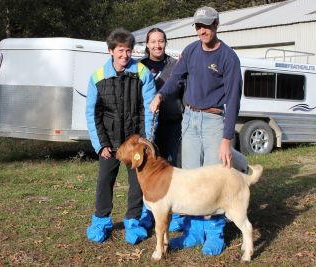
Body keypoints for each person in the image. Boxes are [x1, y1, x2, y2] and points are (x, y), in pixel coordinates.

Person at [150, 6, 248, 256]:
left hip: (215, 121)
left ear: (217, 25)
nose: (202, 30)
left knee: (215, 180)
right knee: (192, 179)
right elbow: (175, 78)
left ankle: (215, 234)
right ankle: (194, 232)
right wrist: (161, 94)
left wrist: (227, 138)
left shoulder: (228, 57)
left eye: (207, 25)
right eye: (198, 26)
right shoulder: (191, 51)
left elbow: (234, 100)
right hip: (190, 119)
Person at [86, 27, 156, 245]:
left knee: (137, 184)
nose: (125, 55)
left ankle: (133, 221)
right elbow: (93, 113)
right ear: (110, 51)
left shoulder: (143, 73)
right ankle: (101, 221)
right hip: (110, 144)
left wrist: (145, 142)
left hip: (135, 145)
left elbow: (149, 110)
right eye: (120, 51)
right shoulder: (97, 76)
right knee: (104, 181)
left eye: (128, 51)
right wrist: (101, 145)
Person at [140, 28, 185, 232]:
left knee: (170, 168)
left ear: (166, 43)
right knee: (146, 171)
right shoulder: (139, 67)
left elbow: (185, 91)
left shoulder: (176, 65)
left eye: (161, 41)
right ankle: (147, 213)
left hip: (171, 124)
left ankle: (173, 213)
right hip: (148, 127)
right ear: (147, 44)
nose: (157, 45)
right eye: (153, 42)